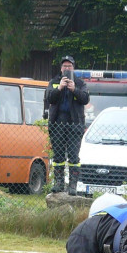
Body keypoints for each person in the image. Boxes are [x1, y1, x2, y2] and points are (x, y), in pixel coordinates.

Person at [46, 55, 89, 195]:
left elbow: (85, 99)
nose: (66, 68)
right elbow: (49, 98)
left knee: (73, 157)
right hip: (57, 122)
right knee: (58, 156)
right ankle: (58, 183)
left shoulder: (80, 83)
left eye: (69, 66)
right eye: (64, 66)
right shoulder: (54, 82)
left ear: (73, 68)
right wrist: (59, 88)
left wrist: (74, 89)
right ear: (61, 68)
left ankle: (72, 186)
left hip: (75, 123)